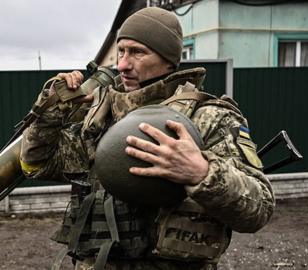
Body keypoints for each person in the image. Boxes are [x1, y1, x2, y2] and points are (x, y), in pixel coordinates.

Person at [20, 7, 274, 270]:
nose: (122, 64)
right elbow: (38, 164)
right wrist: (49, 112)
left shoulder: (207, 118)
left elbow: (260, 208)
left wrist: (202, 173)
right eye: (121, 51)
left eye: (138, 52)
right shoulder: (102, 116)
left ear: (168, 59)